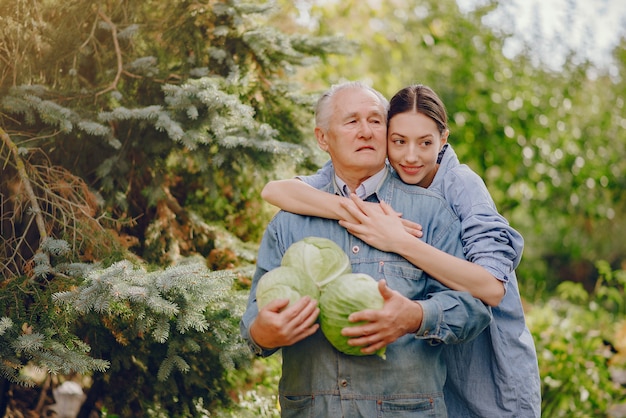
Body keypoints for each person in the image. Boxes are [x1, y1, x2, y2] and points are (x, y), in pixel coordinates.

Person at [261, 84, 541, 417]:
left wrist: (401, 242)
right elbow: (277, 190)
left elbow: (492, 289)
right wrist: (355, 210)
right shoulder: (386, 176)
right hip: (436, 366)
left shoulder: (461, 186)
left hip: (487, 363)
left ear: (444, 139)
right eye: (399, 141)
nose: (410, 156)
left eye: (425, 143)